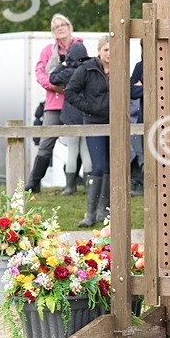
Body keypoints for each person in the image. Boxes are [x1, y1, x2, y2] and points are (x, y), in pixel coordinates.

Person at [27, 13, 84, 193]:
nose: (60, 28)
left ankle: (72, 182)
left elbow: (84, 72)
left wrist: (69, 86)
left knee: (78, 142)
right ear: (53, 31)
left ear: (69, 26)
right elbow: (39, 72)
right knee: (46, 142)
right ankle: (34, 182)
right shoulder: (47, 51)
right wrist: (52, 85)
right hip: (54, 102)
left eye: (63, 24)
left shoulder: (79, 47)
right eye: (56, 26)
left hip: (75, 102)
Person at [66, 36, 111, 228]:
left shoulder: (121, 68)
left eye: (113, 49)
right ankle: (90, 213)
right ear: (99, 51)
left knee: (111, 167)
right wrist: (89, 107)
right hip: (94, 122)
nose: (110, 53)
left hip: (116, 123)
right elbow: (70, 92)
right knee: (98, 166)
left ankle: (105, 211)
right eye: (107, 49)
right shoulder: (87, 68)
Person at [49, 41, 92, 194]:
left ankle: (70, 186)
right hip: (86, 116)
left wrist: (62, 64)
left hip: (71, 116)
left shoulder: (67, 72)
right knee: (86, 153)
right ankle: (89, 187)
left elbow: (53, 78)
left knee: (72, 152)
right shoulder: (87, 70)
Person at [129, 59, 145, 196]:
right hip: (142, 119)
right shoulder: (140, 66)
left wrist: (143, 87)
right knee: (140, 153)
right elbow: (131, 91)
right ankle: (140, 183)